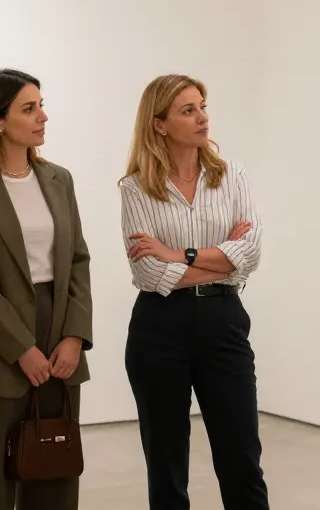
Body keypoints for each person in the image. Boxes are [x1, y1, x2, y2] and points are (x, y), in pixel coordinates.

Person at [0, 69, 94, 510]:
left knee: (54, 474)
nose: (42, 116)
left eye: (41, 105)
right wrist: (20, 347)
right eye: (29, 108)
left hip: (58, 339)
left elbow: (79, 261)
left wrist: (74, 336)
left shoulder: (58, 180)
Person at [119, 74, 267, 510]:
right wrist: (219, 259)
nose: (203, 117)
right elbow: (148, 273)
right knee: (166, 465)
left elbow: (252, 252)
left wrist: (176, 253)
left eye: (202, 106)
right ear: (159, 123)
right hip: (159, 328)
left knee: (242, 459)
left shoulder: (232, 176)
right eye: (188, 110)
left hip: (223, 323)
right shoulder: (135, 188)